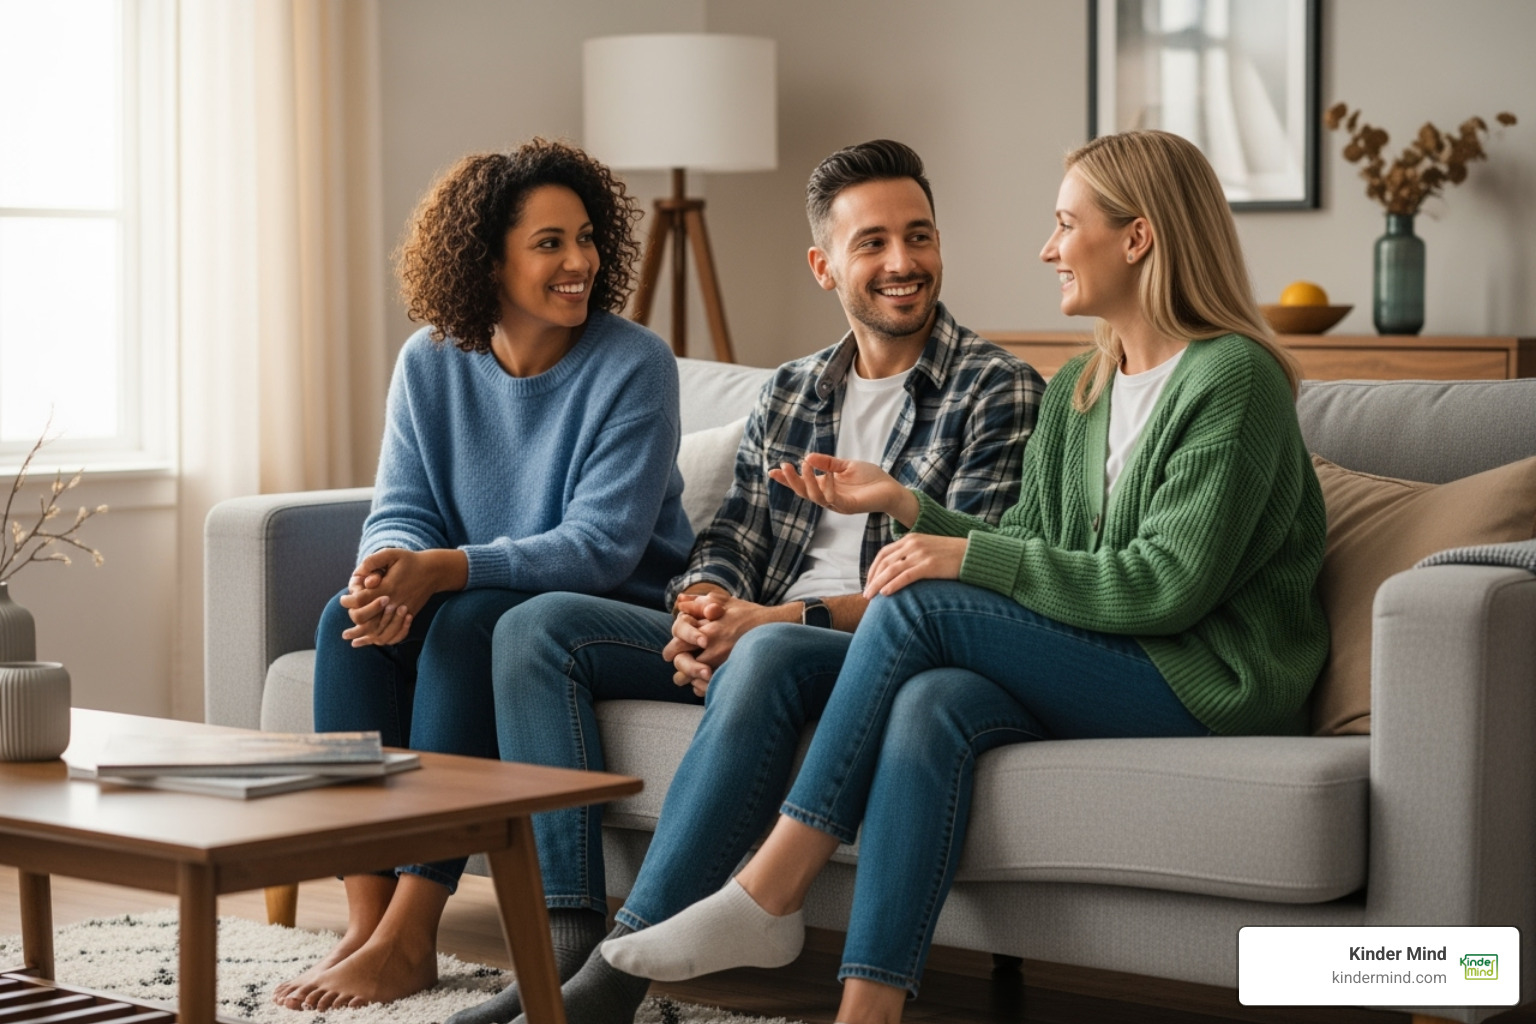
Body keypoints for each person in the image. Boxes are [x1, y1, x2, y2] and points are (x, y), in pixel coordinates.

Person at [598, 130, 1331, 1024]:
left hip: (1207, 678)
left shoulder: (1233, 379)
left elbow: (1165, 585)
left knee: (920, 608)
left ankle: (772, 887)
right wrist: (911, 510)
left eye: (1067, 225)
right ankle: (867, 1011)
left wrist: (954, 555)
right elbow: (1025, 539)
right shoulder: (1085, 389)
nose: (1048, 248)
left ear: (1137, 238)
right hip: (1108, 656)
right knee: (931, 701)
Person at [445, 140, 1045, 1024]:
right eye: (872, 242)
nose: (902, 263)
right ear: (823, 265)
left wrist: (767, 620)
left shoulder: (997, 391)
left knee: (762, 655)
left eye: (918, 237)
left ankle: (613, 983)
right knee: (533, 630)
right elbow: (730, 535)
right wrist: (703, 608)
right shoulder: (792, 391)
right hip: (761, 625)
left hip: (864, 649)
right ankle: (563, 948)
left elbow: (952, 591)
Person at [273, 139, 693, 1012]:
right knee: (340, 624)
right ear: (486, 258)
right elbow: (403, 505)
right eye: (549, 243)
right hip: (478, 591)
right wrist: (386, 574)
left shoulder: (634, 363)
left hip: (609, 613)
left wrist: (450, 570)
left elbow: (605, 545)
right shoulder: (431, 361)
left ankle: (415, 928)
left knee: (471, 623)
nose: (579, 261)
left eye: (585, 238)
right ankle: (368, 917)